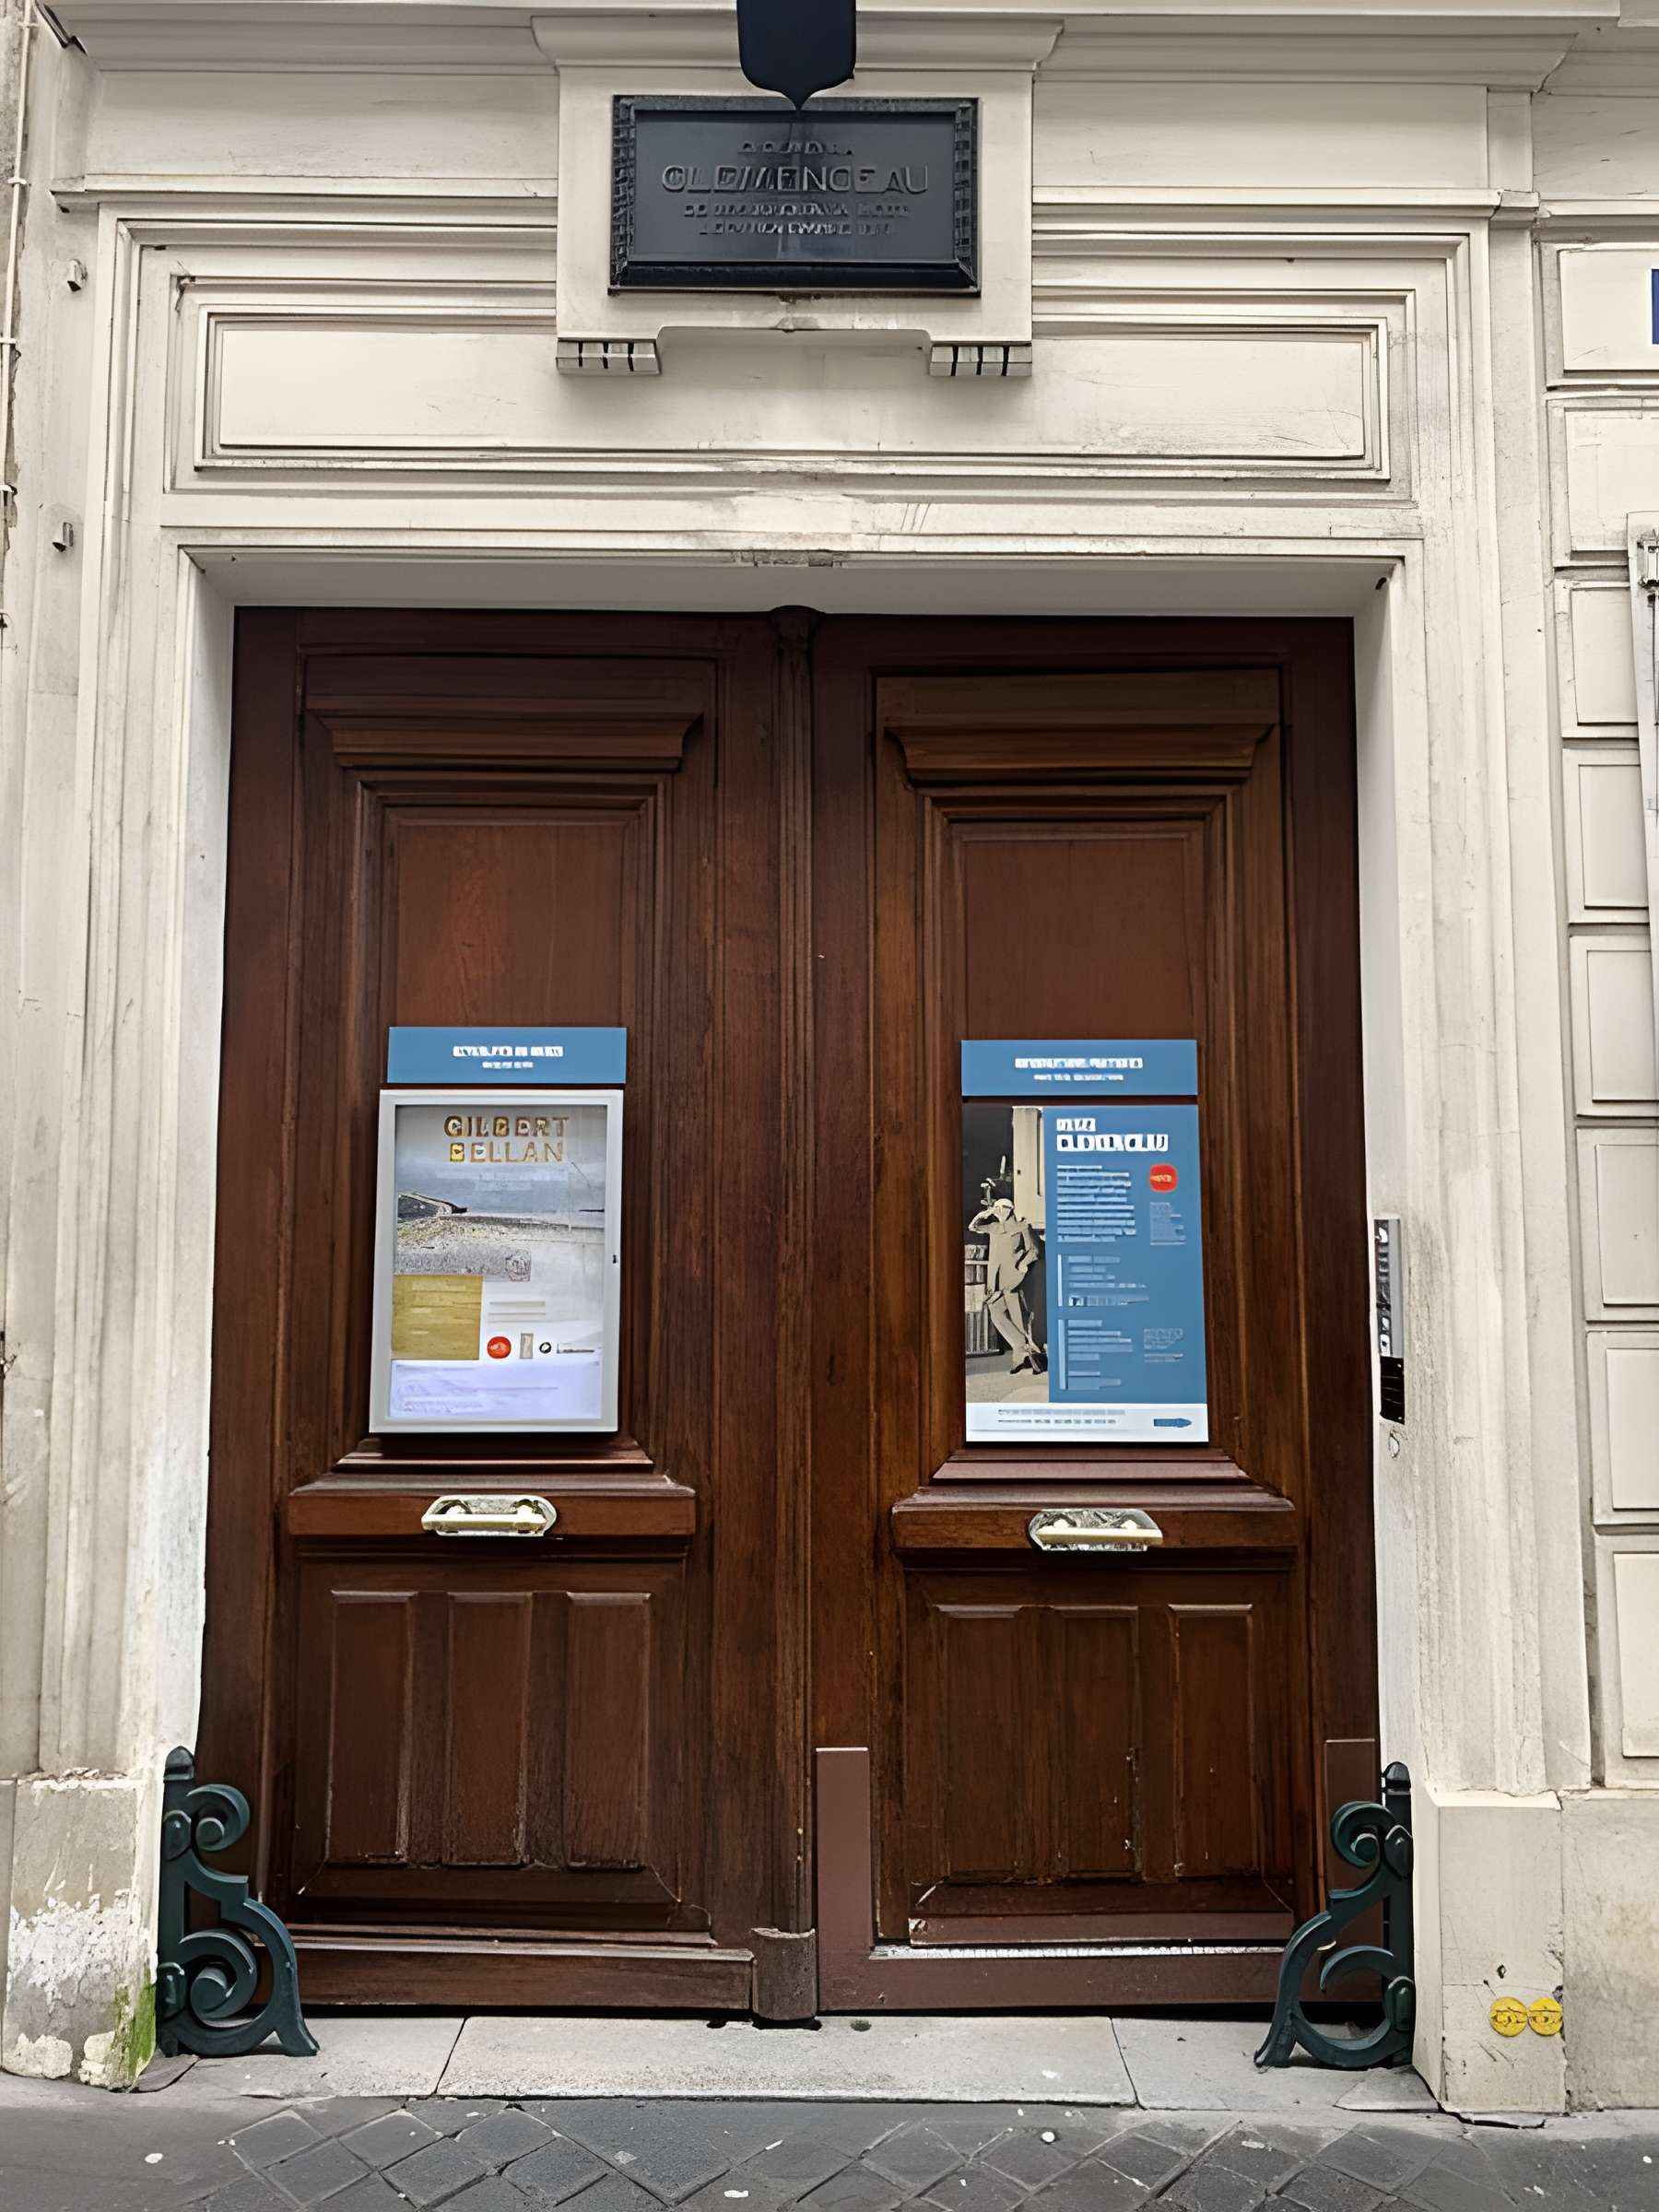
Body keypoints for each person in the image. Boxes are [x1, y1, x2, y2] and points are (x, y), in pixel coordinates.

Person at [968, 1183, 1046, 1375]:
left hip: (1014, 1280)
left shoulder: (1022, 1226)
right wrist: (984, 1214)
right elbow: (973, 1227)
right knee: (996, 1314)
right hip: (996, 1282)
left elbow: (1035, 1251)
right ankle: (1024, 1348)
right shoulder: (994, 1227)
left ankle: (1024, 1360)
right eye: (997, 1209)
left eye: (1001, 1209)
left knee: (1020, 1320)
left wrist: (1023, 1263)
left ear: (1010, 1209)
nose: (998, 1212)